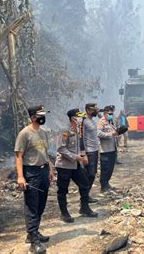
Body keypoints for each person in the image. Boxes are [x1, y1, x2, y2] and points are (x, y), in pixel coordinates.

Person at [14, 105, 54, 254]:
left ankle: (34, 232)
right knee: (31, 205)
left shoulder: (43, 133)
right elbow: (19, 156)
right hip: (31, 173)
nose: (43, 117)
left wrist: (50, 169)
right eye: (40, 115)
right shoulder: (24, 133)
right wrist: (20, 176)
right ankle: (33, 242)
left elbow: (45, 152)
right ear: (32, 117)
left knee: (41, 205)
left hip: (43, 171)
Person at [56, 108, 97, 223]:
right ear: (73, 118)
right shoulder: (64, 130)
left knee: (84, 184)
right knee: (63, 189)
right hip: (64, 165)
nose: (81, 118)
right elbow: (61, 148)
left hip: (75, 164)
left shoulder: (77, 129)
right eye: (79, 116)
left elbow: (78, 146)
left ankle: (84, 208)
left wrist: (82, 156)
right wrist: (76, 157)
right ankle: (64, 213)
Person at [97, 106, 118, 192]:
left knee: (110, 168)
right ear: (105, 113)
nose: (111, 115)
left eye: (112, 114)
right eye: (110, 114)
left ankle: (107, 183)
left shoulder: (110, 122)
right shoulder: (101, 122)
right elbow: (98, 133)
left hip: (112, 148)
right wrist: (110, 134)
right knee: (105, 168)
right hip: (105, 150)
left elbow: (114, 132)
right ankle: (103, 186)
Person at [82, 103, 100, 198]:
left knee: (93, 174)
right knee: (90, 174)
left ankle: (86, 195)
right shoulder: (84, 121)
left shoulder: (92, 120)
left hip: (95, 150)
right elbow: (81, 137)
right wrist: (84, 153)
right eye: (94, 110)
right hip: (89, 151)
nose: (96, 111)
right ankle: (84, 196)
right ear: (88, 110)